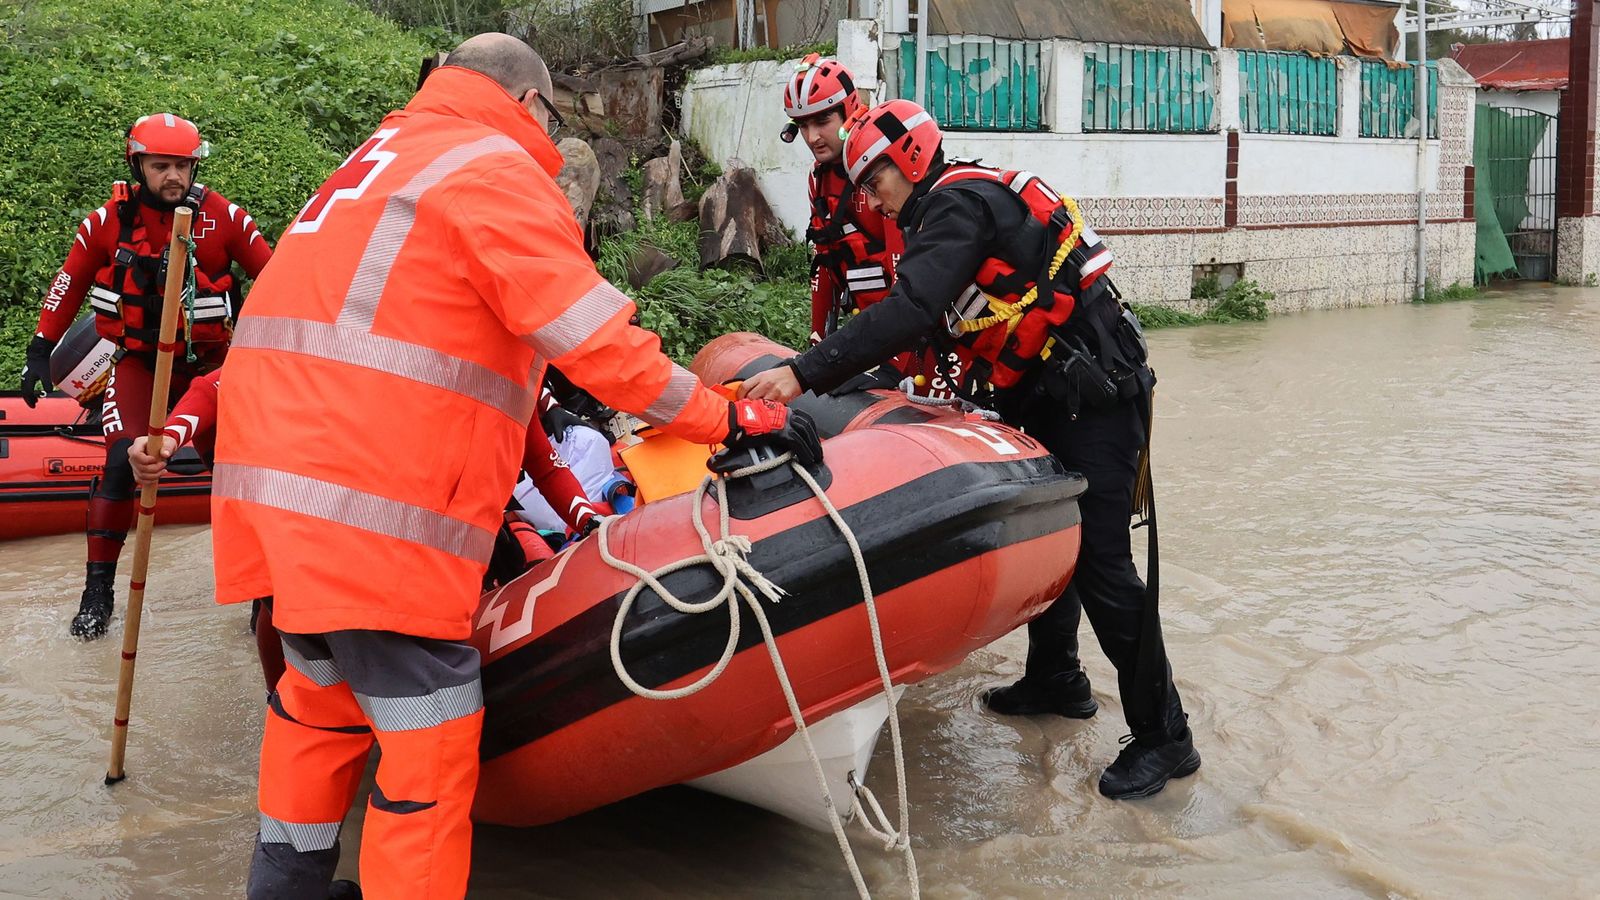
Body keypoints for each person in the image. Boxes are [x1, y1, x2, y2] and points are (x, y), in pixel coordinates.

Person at [206, 33, 820, 900]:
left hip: (280, 507)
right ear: (530, 104)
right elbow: (599, 345)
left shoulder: (374, 162)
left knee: (319, 706)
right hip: (376, 510)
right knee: (431, 739)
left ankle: (285, 887)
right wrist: (728, 416)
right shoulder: (488, 168)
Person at [740, 99, 1200, 801]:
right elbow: (931, 328)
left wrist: (805, 372)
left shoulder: (959, 207)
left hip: (1098, 398)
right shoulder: (942, 219)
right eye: (861, 187)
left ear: (913, 161)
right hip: (1048, 393)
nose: (871, 199)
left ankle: (1167, 738)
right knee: (1059, 535)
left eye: (877, 182)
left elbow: (911, 310)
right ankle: (1057, 678)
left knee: (1105, 563)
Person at [17, 113, 273, 640]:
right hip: (138, 363)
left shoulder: (225, 218)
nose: (173, 176)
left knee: (240, 472)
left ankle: (264, 595)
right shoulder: (107, 221)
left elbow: (275, 277)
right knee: (117, 462)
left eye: (182, 165)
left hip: (211, 365)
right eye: (161, 166)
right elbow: (69, 282)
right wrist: (40, 349)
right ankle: (97, 594)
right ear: (138, 165)